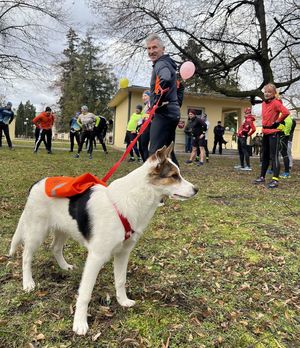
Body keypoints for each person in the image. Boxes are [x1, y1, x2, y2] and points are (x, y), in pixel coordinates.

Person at [146, 33, 183, 166]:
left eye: (154, 47)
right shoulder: (168, 63)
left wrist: (157, 100)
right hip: (171, 111)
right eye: (149, 48)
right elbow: (179, 88)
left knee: (155, 153)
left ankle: (154, 185)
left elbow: (165, 78)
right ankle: (178, 183)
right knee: (167, 152)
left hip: (164, 112)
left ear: (163, 49)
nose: (151, 51)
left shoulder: (161, 64)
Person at [253, 83, 290, 188]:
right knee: (265, 156)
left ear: (274, 93)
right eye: (265, 92)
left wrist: (278, 121)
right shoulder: (264, 103)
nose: (267, 94)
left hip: (274, 132)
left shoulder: (276, 103)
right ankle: (262, 177)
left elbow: (286, 112)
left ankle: (275, 180)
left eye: (269, 92)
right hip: (265, 132)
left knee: (274, 156)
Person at [138, 90, 151, 161]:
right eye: (143, 96)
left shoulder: (151, 104)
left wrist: (146, 116)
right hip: (143, 128)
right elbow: (142, 118)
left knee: (144, 146)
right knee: (141, 147)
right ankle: (145, 162)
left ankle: (146, 163)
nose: (143, 97)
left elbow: (152, 114)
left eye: (145, 95)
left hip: (149, 127)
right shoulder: (145, 106)